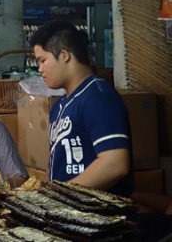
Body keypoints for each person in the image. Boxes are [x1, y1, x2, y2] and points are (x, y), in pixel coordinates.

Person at [29, 20, 132, 196]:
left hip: (99, 218)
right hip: (67, 214)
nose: (40, 69)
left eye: (43, 60)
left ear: (64, 55)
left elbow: (115, 163)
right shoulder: (60, 105)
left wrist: (60, 196)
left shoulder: (98, 97)